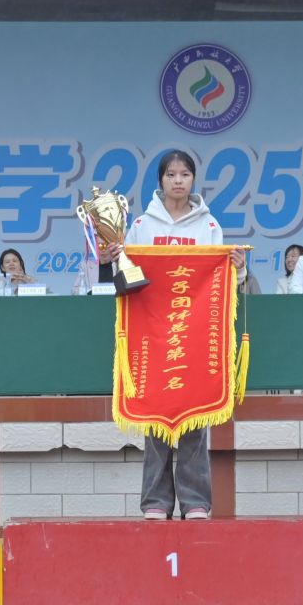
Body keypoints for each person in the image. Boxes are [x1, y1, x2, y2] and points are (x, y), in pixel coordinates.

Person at [104, 150, 244, 521]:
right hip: (152, 332)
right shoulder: (141, 224)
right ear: (160, 180)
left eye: (184, 174)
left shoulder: (208, 225)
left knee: (195, 416)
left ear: (193, 179)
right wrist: (117, 257)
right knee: (156, 417)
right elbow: (126, 276)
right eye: (171, 174)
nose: (178, 180)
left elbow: (221, 279)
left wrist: (237, 268)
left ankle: (196, 502)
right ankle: (156, 502)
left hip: (193, 331)